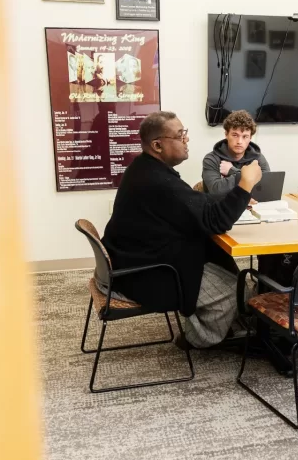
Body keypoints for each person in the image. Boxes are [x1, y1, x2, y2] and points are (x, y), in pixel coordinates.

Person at [102, 111, 263, 348]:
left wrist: (226, 197)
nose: (186, 140)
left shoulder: (146, 168)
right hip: (145, 272)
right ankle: (201, 340)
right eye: (180, 136)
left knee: (219, 260)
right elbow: (216, 221)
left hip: (136, 256)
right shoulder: (157, 181)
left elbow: (192, 203)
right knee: (231, 289)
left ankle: (237, 317)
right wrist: (245, 185)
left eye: (184, 133)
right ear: (157, 145)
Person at [201, 110, 270, 195]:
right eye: (235, 135)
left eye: (245, 136)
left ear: (250, 137)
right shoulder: (211, 159)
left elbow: (266, 186)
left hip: (251, 205)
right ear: (226, 134)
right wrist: (248, 176)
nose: (239, 141)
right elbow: (216, 190)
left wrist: (232, 171)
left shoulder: (258, 158)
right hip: (219, 207)